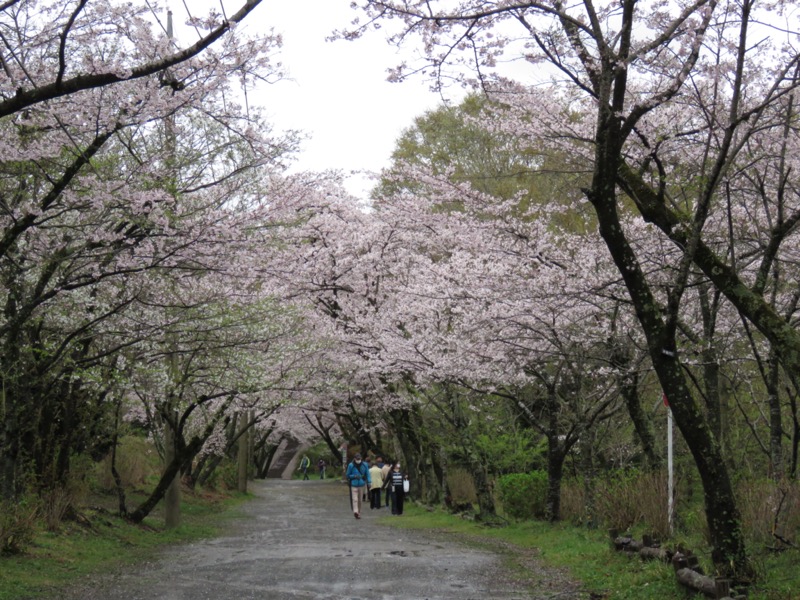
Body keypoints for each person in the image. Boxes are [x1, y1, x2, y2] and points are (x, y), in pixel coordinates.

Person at [345, 453, 371, 519]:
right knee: (355, 499)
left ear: (361, 458)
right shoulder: (351, 465)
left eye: (359, 459)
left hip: (362, 484)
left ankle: (358, 512)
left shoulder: (365, 465)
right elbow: (347, 475)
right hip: (353, 484)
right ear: (354, 459)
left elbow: (367, 474)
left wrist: (369, 482)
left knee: (360, 500)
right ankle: (355, 512)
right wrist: (354, 476)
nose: (358, 460)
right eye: (357, 459)